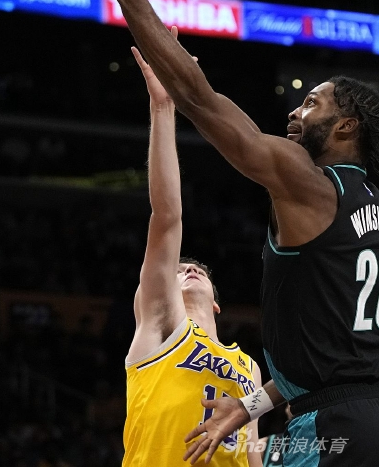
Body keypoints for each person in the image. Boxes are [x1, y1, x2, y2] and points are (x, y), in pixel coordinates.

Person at [60, 0, 379, 466]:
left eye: (312, 104)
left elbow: (200, 97)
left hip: (340, 420)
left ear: (346, 127)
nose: (295, 112)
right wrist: (249, 406)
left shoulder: (309, 181)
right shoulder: (377, 205)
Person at [122, 35, 262, 467]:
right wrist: (163, 108)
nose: (189, 270)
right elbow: (167, 218)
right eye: (179, 270)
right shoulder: (163, 324)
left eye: (196, 269)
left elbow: (252, 448)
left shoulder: (249, 367)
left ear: (217, 303)